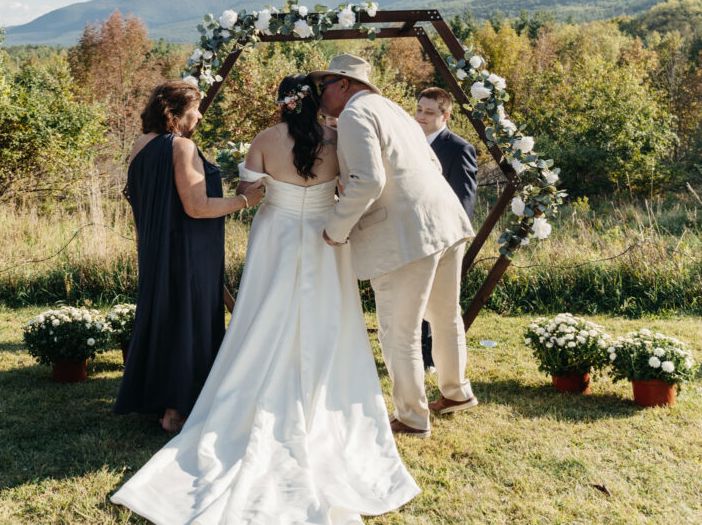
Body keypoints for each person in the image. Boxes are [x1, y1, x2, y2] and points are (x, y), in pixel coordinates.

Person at [111, 75, 419, 524]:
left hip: (275, 237)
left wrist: (268, 191)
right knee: (326, 319)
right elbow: (354, 185)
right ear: (314, 103)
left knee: (262, 315)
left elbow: (252, 190)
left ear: (281, 103)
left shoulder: (263, 140)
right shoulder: (336, 140)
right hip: (325, 238)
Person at [312, 54, 478, 439]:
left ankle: (412, 417)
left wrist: (336, 228)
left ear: (344, 84)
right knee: (445, 315)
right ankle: (456, 393)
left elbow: (366, 181)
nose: (321, 94)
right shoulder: (395, 111)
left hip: (406, 233)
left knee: (399, 330)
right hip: (445, 220)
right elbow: (433, 165)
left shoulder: (355, 115)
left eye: (324, 86)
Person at [113, 80, 265, 433]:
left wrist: (145, 244)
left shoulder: (141, 144)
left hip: (155, 249)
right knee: (189, 323)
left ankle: (159, 401)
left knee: (164, 320)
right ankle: (176, 412)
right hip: (187, 252)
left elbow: (137, 199)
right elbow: (197, 207)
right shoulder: (181, 148)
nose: (199, 115)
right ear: (177, 113)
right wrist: (245, 201)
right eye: (195, 108)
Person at [413, 87, 479, 372]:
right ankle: (416, 354)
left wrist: (450, 238)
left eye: (429, 112)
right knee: (414, 296)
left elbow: (464, 198)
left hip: (442, 235)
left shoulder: (459, 148)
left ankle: (431, 359)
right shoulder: (409, 141)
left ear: (446, 115)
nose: (421, 116)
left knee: (437, 301)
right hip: (410, 230)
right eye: (418, 109)